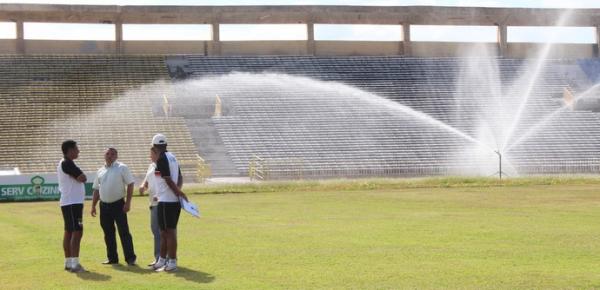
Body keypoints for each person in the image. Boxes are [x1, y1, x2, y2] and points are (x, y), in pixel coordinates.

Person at [90, 147, 137, 265]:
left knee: (124, 232)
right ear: (104, 155)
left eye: (112, 154)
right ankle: (112, 258)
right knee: (108, 232)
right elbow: (96, 189)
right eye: (107, 153)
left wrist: (128, 202)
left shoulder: (122, 168)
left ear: (116, 156)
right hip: (104, 205)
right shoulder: (100, 170)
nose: (109, 156)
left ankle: (130, 258)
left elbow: (130, 184)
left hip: (118, 204)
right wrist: (93, 206)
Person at [150, 133, 188, 272]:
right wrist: (177, 191)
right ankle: (162, 260)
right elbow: (180, 177)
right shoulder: (172, 157)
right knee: (165, 232)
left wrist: (178, 192)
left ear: (154, 146)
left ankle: (171, 262)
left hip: (167, 201)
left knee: (168, 232)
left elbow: (167, 179)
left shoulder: (161, 159)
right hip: (167, 199)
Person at [140, 146, 183, 267]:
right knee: (158, 232)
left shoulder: (165, 163)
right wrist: (143, 186)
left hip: (164, 201)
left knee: (168, 232)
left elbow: (170, 180)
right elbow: (149, 181)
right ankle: (160, 258)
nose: (150, 156)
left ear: (156, 153)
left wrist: (178, 191)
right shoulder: (151, 166)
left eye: (151, 154)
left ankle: (171, 259)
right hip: (155, 203)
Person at [58, 140, 87, 273]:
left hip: (71, 202)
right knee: (77, 231)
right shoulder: (67, 163)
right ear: (70, 150)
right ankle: (74, 264)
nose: (78, 151)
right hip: (72, 203)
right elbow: (82, 178)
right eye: (76, 149)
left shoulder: (66, 162)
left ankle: (69, 262)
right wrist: (82, 175)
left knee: (69, 231)